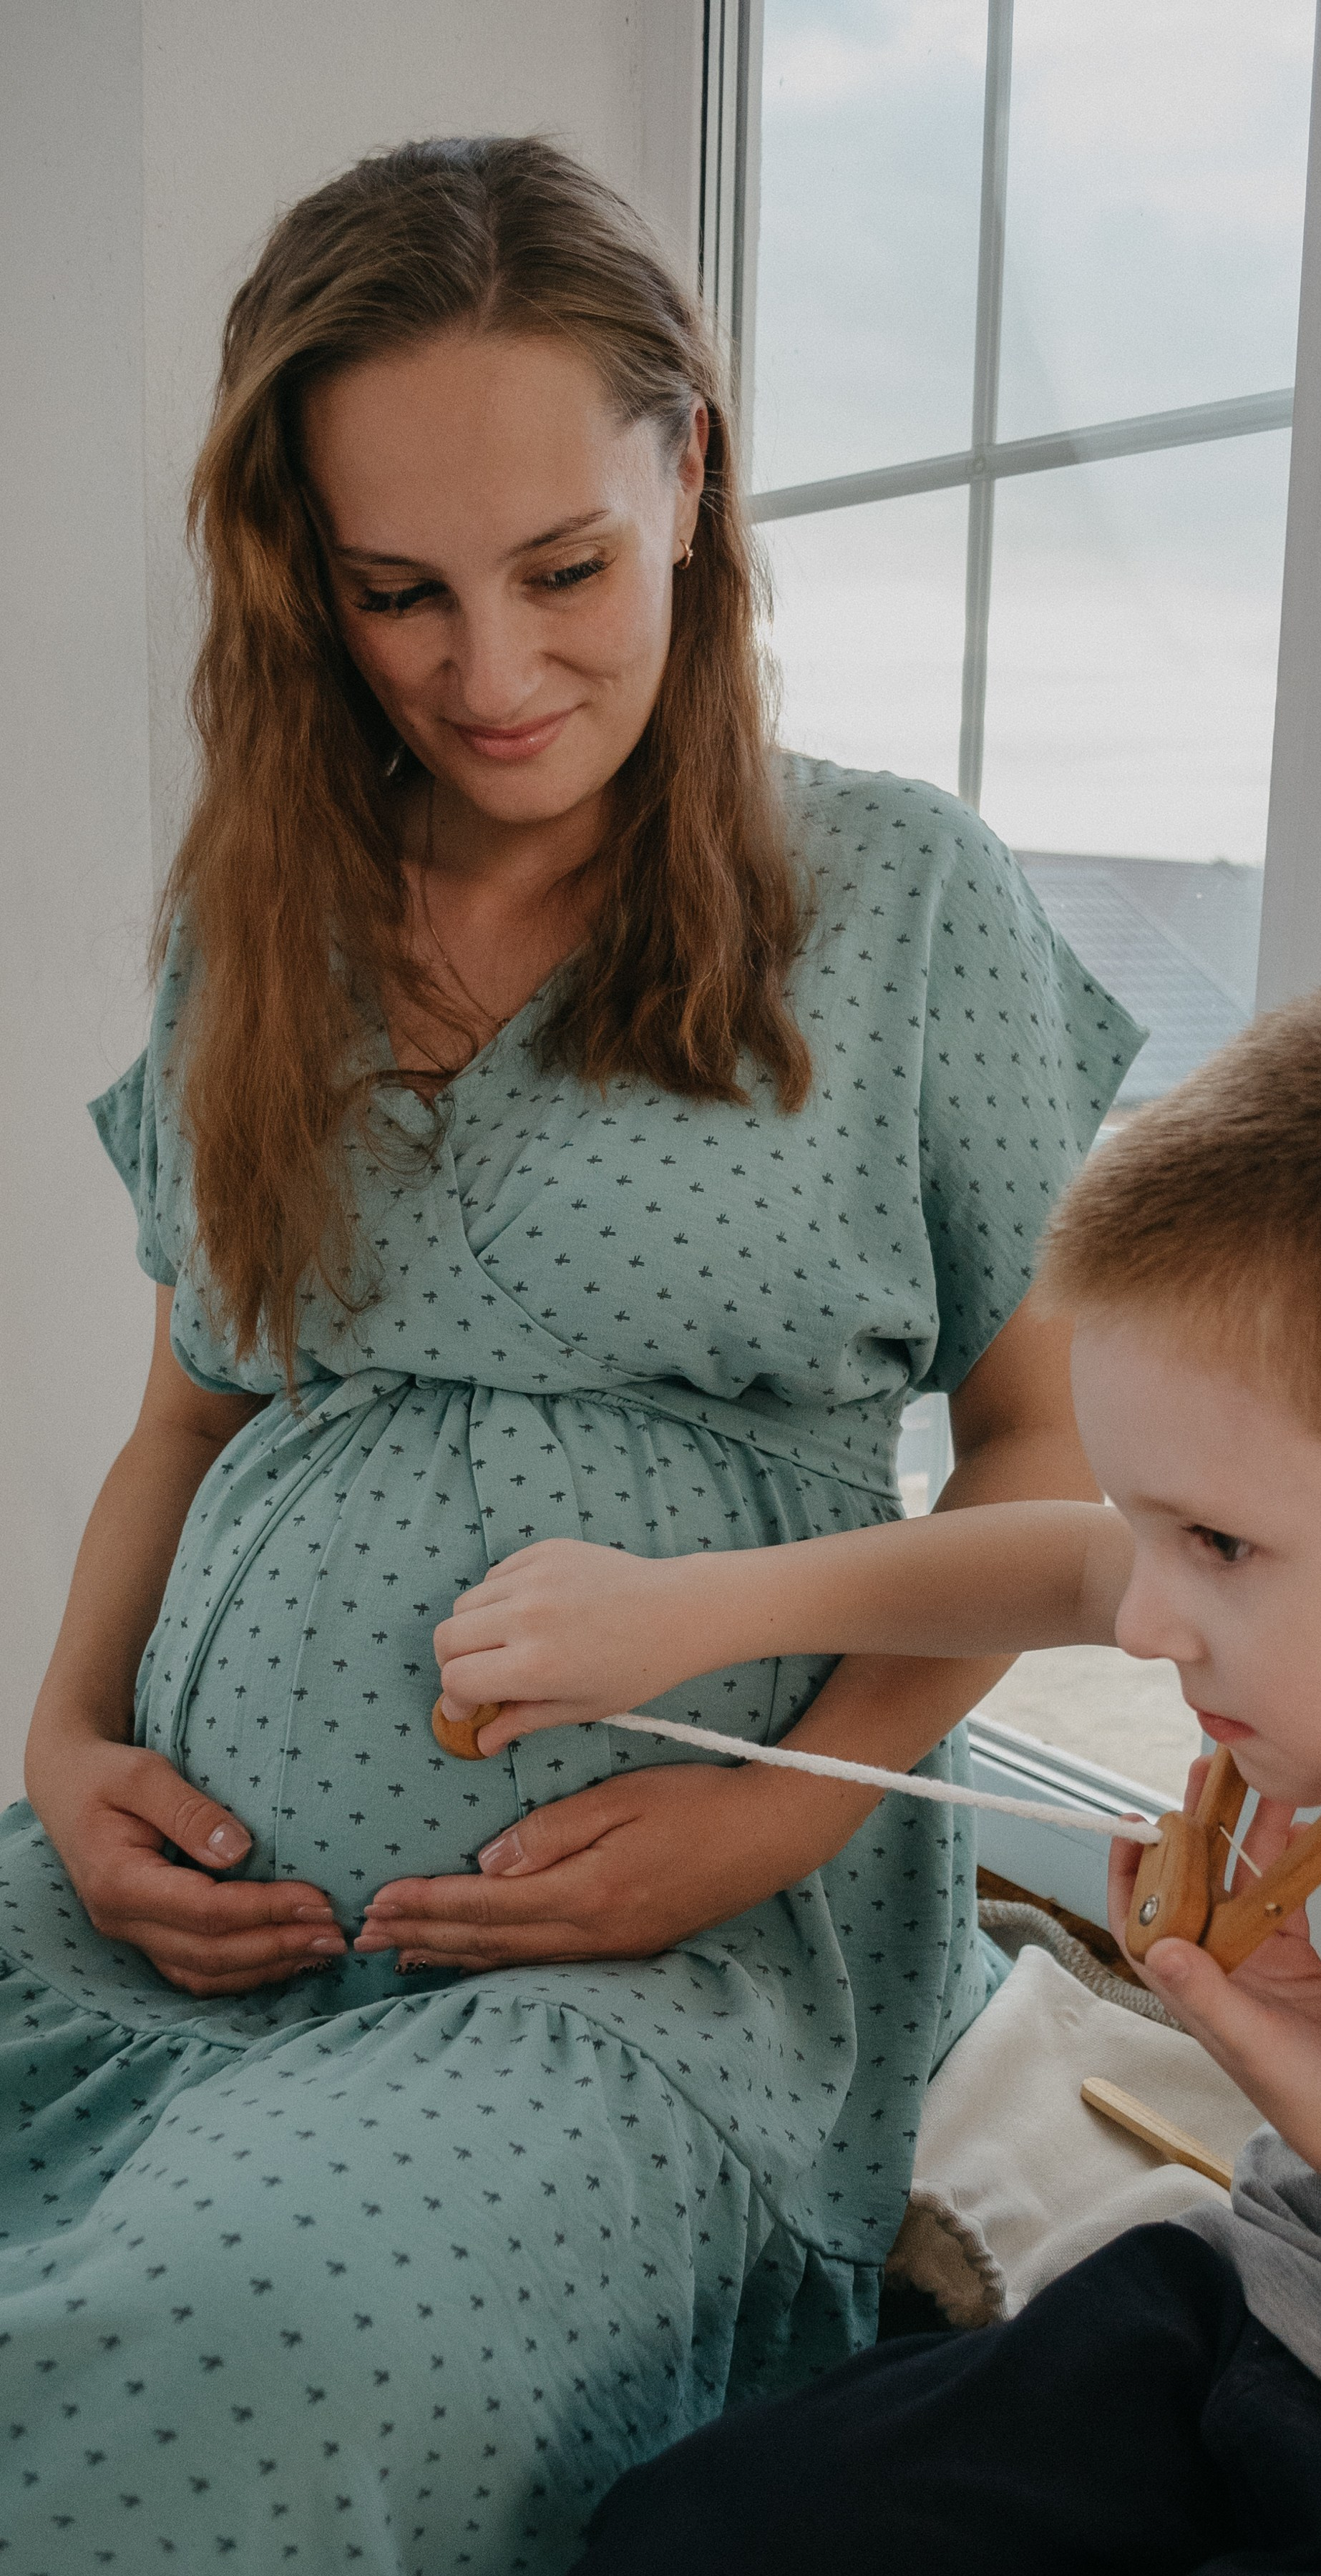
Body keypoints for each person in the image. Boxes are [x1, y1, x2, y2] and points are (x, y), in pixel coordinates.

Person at [0, 137, 1140, 2572]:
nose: (491, 676)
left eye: (565, 572)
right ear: (301, 565)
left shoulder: (902, 896)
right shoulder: (264, 913)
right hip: (167, 1922)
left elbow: (1054, 1481)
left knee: (241, 2351)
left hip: (666, 1966)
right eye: (400, 591)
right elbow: (191, 1414)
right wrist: (70, 1752)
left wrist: (789, 1809)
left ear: (694, 482)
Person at [441, 964, 1321, 2576]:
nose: (1150, 1619)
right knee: (691, 2537)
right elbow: (1058, 1568)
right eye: (1156, 1529)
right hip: (1303, 2306)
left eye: (1223, 1549)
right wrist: (689, 1611)